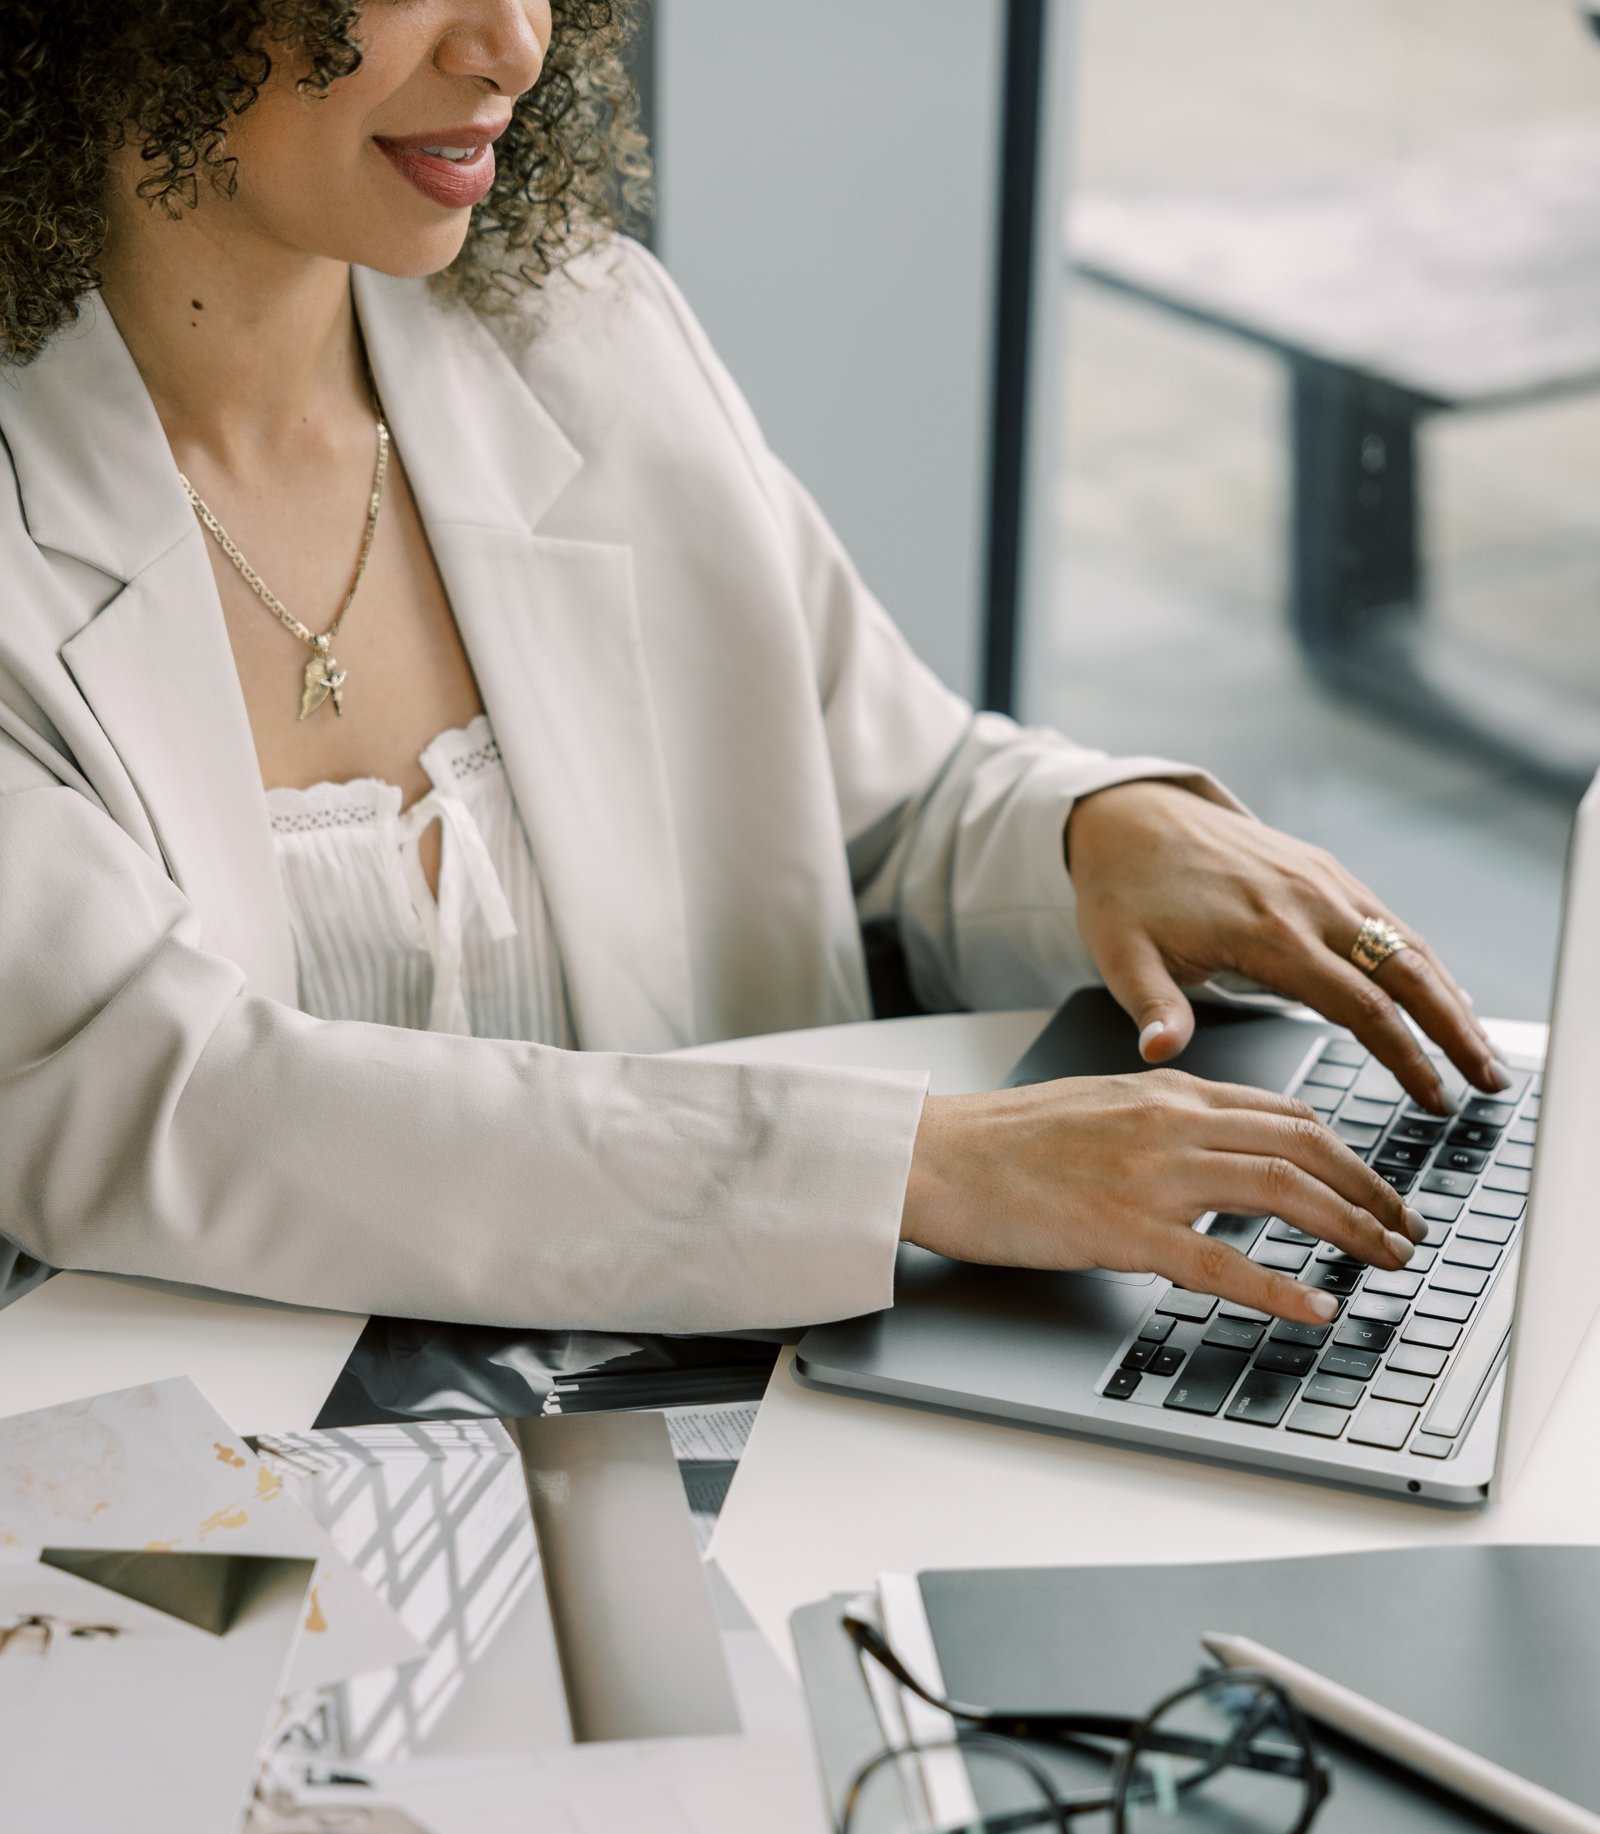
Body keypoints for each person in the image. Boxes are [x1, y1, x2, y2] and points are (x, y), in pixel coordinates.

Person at [0, 0, 1505, 1339]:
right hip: (236, 1545)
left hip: (786, 1445)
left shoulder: (584, 336)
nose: (513, 45)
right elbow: (162, 1096)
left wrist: (1096, 830)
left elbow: (895, 801)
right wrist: (908, 1169)